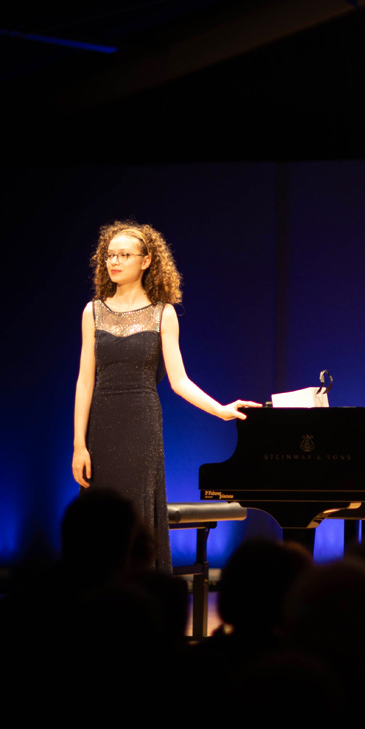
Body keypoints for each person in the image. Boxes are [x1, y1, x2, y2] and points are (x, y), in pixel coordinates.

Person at [72, 221, 259, 572]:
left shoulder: (163, 313)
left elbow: (179, 381)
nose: (115, 262)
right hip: (103, 425)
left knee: (137, 511)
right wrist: (79, 445)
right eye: (110, 255)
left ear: (145, 261)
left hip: (141, 425)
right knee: (100, 520)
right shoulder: (92, 311)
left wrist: (220, 410)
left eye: (124, 255)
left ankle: (142, 592)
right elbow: (85, 382)